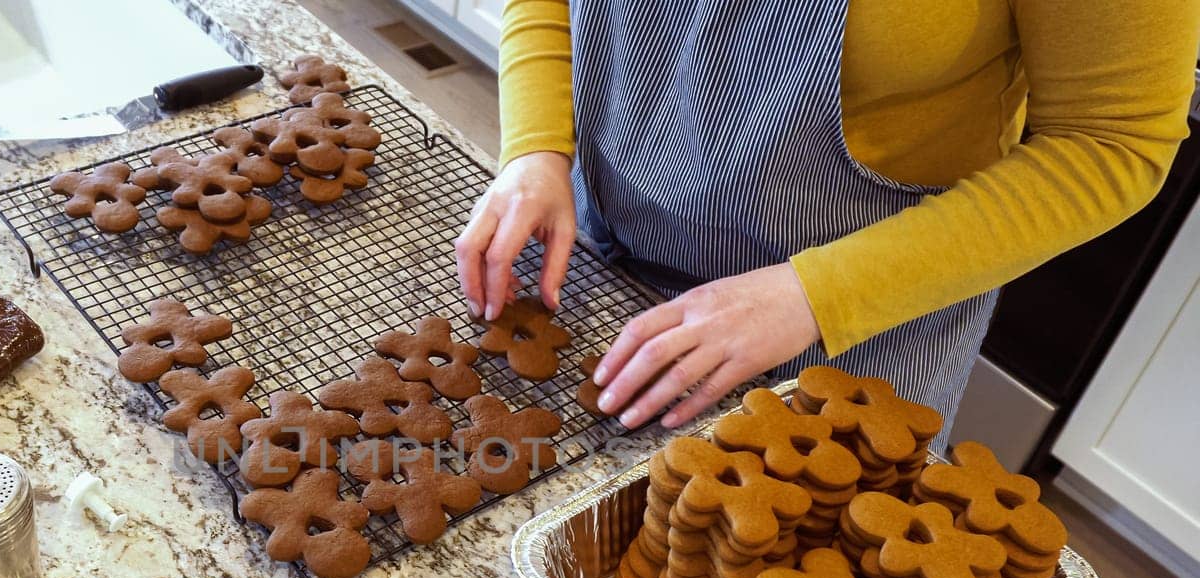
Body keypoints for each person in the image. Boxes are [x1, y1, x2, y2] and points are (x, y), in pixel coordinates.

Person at [456, 0, 1200, 442]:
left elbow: (1113, 142)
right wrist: (537, 146)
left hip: (857, 324)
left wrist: (818, 295)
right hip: (600, 254)